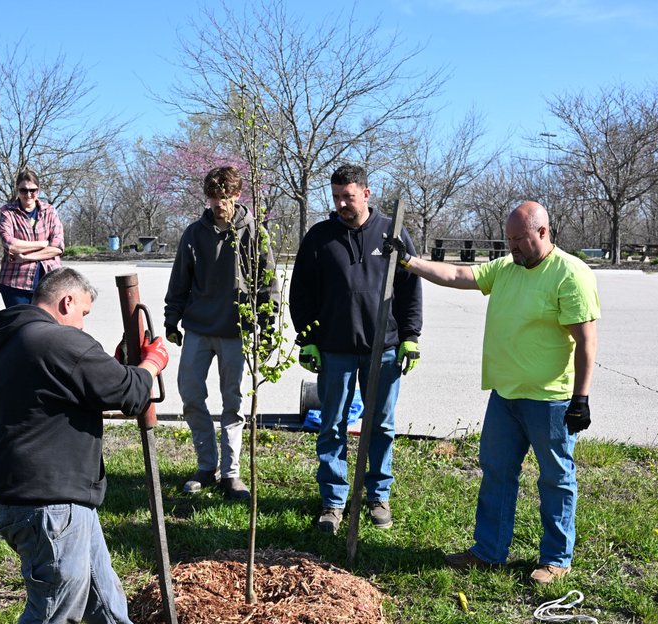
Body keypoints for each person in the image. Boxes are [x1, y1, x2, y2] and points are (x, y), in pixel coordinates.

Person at [0, 267, 190, 624]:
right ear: (66, 303)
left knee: (99, 581)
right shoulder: (57, 341)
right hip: (46, 499)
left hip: (41, 492)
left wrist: (114, 367)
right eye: (85, 315)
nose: (84, 326)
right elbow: (131, 392)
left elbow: (83, 385)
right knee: (58, 600)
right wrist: (152, 362)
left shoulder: (17, 336)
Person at [388, 201, 599, 586]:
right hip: (505, 396)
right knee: (497, 474)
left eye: (519, 240)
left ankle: (555, 559)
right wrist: (410, 263)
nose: (513, 247)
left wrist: (580, 398)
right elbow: (456, 274)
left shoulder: (570, 274)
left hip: (550, 399)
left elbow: (586, 341)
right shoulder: (506, 268)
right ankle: (488, 552)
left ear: (543, 233)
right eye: (509, 240)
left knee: (555, 478)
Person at [288, 163, 423, 534]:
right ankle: (333, 500)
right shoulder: (320, 237)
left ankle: (378, 495)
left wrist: (411, 335)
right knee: (332, 425)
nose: (342, 203)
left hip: (385, 348)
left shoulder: (392, 234)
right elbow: (300, 293)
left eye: (348, 196)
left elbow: (411, 287)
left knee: (381, 424)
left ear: (366, 193)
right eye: (336, 197)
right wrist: (308, 339)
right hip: (335, 349)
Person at [163, 166, 279, 500]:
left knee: (234, 402)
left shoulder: (254, 233)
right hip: (199, 328)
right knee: (190, 394)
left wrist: (267, 328)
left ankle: (231, 473)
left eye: (225, 197)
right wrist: (172, 320)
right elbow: (179, 282)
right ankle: (205, 466)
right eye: (213, 197)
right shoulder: (193, 234)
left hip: (236, 331)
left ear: (237, 195)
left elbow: (268, 285)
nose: (219, 204)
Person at [0, 168, 64, 307]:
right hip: (15, 283)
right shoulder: (8, 212)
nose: (28, 194)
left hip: (49, 282)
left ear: (38, 190)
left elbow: (57, 247)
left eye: (32, 190)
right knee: (21, 326)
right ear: (17, 190)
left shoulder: (50, 211)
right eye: (23, 190)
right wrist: (43, 244)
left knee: (47, 326)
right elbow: (10, 244)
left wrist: (26, 257)